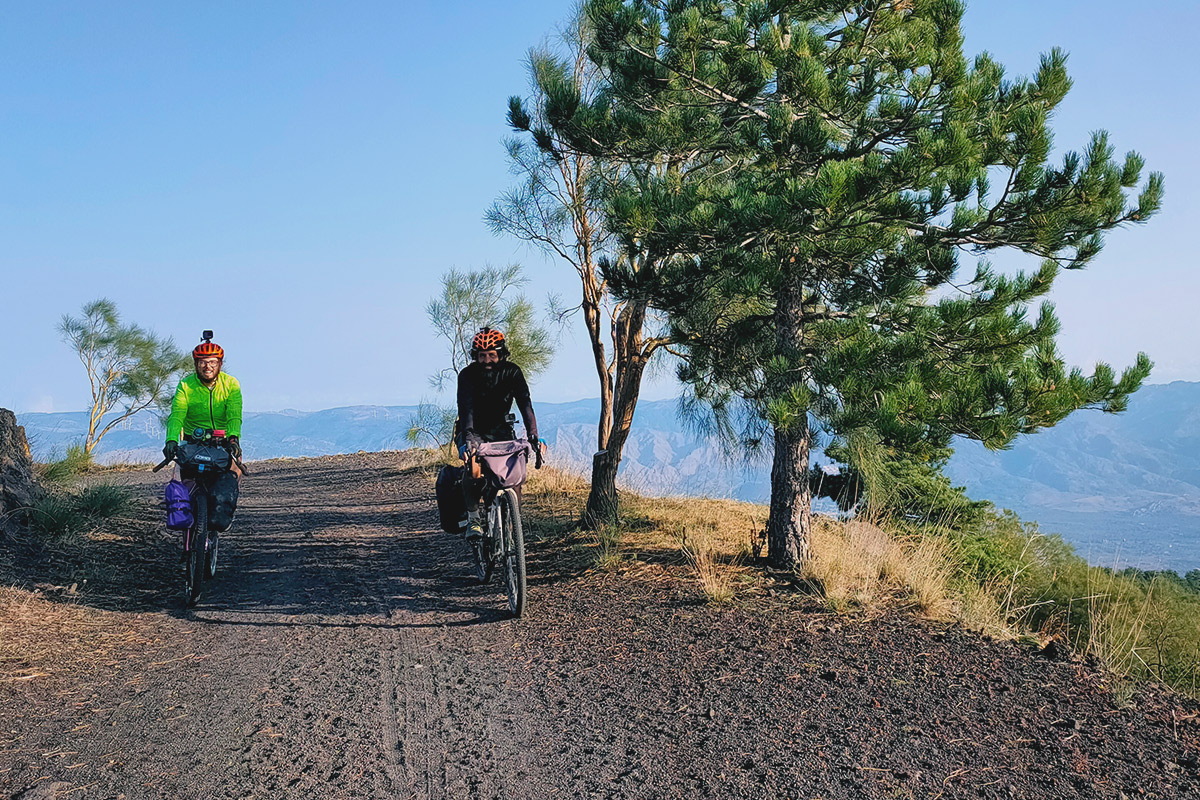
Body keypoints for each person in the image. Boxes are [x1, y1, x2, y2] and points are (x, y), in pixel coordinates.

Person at [456, 326, 541, 540]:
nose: (487, 361)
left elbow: (525, 403)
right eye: (482, 356)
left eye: (492, 355)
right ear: (475, 356)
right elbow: (466, 409)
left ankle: (514, 527)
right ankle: (474, 517)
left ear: (500, 354)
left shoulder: (512, 372)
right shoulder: (467, 376)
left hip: (501, 429)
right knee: (473, 469)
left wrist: (533, 435)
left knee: (514, 479)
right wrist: (468, 440)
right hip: (472, 429)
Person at [164, 332, 244, 532]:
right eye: (202, 362)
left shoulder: (231, 384)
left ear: (220, 364)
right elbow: (177, 415)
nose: (207, 366)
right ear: (195, 363)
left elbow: (234, 415)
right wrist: (171, 440)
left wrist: (233, 438)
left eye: (212, 362)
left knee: (235, 469)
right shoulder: (186, 385)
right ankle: (188, 525)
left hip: (223, 442)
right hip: (192, 441)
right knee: (182, 481)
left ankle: (223, 514)